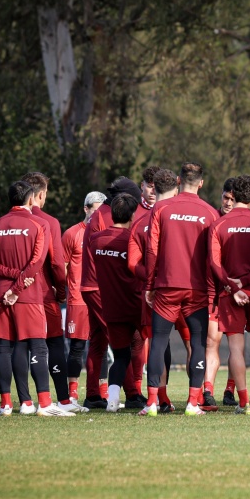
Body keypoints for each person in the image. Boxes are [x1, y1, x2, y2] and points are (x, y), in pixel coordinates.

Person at [0, 181, 73, 416]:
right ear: (31, 199)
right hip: (29, 295)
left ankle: (11, 404)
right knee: (38, 347)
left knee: (6, 348)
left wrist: (9, 284)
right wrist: (18, 283)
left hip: (2, 295)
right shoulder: (39, 224)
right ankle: (44, 404)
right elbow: (37, 263)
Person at [141, 162, 219, 417]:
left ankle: (152, 403)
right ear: (201, 183)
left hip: (167, 285)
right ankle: (193, 403)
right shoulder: (209, 212)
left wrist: (150, 284)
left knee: (158, 342)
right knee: (197, 343)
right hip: (196, 288)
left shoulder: (161, 208)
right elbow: (213, 256)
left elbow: (152, 250)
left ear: (177, 180)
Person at [209, 174, 250, 415]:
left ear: (233, 195)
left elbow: (215, 264)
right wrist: (246, 282)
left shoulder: (218, 224)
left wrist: (234, 287)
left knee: (236, 348)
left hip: (229, 294)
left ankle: (244, 402)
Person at [81, 176, 148, 409]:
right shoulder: (109, 217)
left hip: (93, 285)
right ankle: (132, 393)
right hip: (104, 288)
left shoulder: (98, 216)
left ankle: (92, 394)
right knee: (129, 343)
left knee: (99, 342)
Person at [22, 172, 86, 412]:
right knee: (54, 344)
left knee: (17, 347)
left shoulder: (5, 221)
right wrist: (61, 290)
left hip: (16, 296)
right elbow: (58, 263)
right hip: (43, 294)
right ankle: (63, 400)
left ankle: (22, 402)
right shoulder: (48, 221)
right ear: (40, 194)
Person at [127, 168, 187, 413]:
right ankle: (185, 399)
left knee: (159, 343)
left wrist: (154, 279)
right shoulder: (191, 215)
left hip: (158, 292)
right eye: (147, 185)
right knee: (184, 343)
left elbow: (134, 263)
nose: (151, 191)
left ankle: (157, 399)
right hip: (186, 290)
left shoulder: (142, 222)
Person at [62, 191, 106, 402]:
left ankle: (102, 392)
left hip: (101, 297)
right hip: (78, 299)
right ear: (86, 209)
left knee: (103, 345)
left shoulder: (107, 232)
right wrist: (62, 290)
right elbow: (62, 266)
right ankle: (72, 393)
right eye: (95, 210)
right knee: (77, 347)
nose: (98, 215)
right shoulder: (72, 234)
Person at [202, 178, 236, 411]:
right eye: (226, 197)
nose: (229, 203)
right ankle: (208, 390)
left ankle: (230, 390)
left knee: (236, 345)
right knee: (211, 341)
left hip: (236, 294)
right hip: (214, 292)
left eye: (234, 199)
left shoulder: (247, 223)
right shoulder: (211, 221)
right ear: (221, 196)